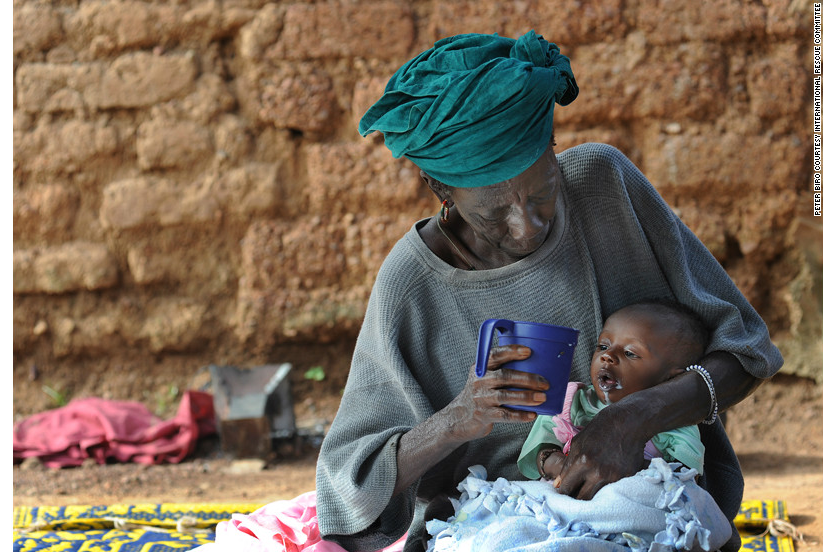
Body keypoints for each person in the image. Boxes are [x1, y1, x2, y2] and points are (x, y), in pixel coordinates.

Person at [314, 30, 783, 552]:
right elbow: (343, 492)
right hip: (492, 528)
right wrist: (454, 422)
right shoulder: (413, 283)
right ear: (442, 191)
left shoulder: (604, 185)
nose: (527, 227)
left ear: (554, 150)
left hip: (644, 518)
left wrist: (634, 418)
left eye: (543, 193)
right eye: (494, 213)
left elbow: (748, 353)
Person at [518, 300, 710, 483]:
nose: (607, 356)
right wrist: (555, 463)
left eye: (630, 353)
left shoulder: (674, 424)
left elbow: (687, 479)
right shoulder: (572, 401)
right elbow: (540, 449)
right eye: (603, 346)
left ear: (671, 379)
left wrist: (636, 470)